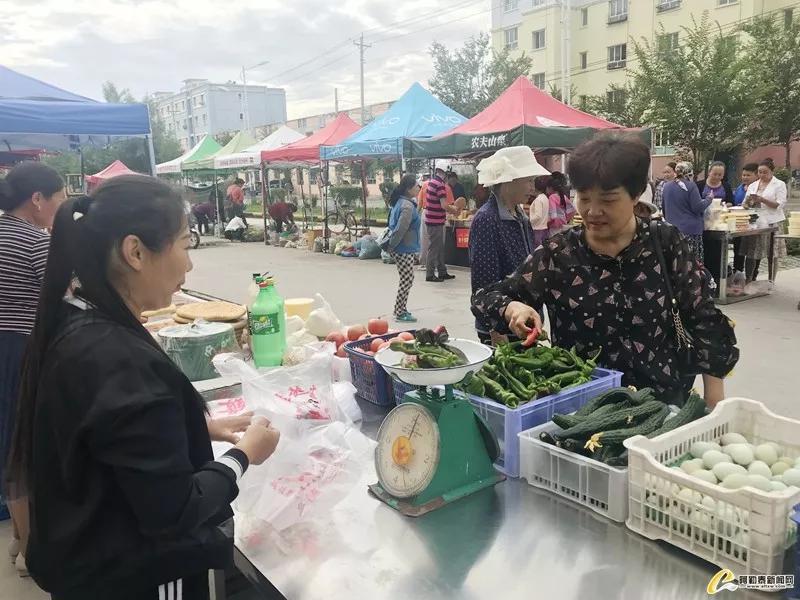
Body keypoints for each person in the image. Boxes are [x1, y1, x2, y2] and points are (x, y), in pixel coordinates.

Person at [6, 175, 281, 600]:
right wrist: (244, 456)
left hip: (83, 557)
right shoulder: (114, 357)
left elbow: (101, 429)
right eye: (185, 246)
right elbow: (174, 511)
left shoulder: (78, 318)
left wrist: (194, 426)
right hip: (132, 573)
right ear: (135, 252)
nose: (189, 266)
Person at [471, 136, 739, 407]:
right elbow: (485, 298)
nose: (592, 211)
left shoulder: (665, 242)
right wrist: (513, 307)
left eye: (608, 200)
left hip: (663, 405)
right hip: (583, 411)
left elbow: (703, 317)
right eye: (584, 198)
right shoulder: (560, 252)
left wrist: (713, 401)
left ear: (636, 195)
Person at [0, 162, 65, 577]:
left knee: (7, 441)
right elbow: (60, 298)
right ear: (37, 200)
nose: (61, 209)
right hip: (20, 348)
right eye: (58, 200)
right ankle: (29, 545)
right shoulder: (35, 240)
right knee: (23, 446)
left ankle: (20, 534)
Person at [470, 146, 549, 344]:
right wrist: (495, 330)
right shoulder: (487, 219)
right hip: (503, 323)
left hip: (525, 319)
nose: (533, 187)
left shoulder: (520, 215)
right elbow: (483, 282)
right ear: (508, 182)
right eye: (528, 181)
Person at [742, 158, 788, 282]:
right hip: (756, 221)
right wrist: (749, 202)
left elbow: (779, 204)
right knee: (752, 251)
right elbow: (745, 203)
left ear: (771, 171)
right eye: (760, 172)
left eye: (765, 172)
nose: (762, 175)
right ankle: (749, 279)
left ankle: (771, 279)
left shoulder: (779, 184)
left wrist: (762, 200)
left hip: (772, 221)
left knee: (772, 253)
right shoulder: (753, 185)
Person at [386, 175, 421, 322]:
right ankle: (400, 311)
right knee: (406, 280)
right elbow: (401, 229)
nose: (419, 188)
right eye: (416, 186)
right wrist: (392, 246)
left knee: (407, 279)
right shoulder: (406, 206)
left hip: (404, 247)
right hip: (403, 248)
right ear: (408, 189)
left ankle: (399, 308)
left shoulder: (402, 202)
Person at [662, 161, 710, 260]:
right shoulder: (690, 186)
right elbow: (697, 208)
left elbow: (664, 208)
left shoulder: (666, 186)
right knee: (692, 263)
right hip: (690, 231)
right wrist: (709, 199)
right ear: (689, 172)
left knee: (677, 262)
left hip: (672, 231)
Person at [424, 167, 456, 282]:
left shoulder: (432, 182)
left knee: (439, 247)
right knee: (434, 248)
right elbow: (443, 205)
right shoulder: (440, 185)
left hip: (431, 219)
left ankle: (442, 271)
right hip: (435, 221)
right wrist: (454, 210)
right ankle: (430, 274)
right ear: (445, 174)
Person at [731, 163, 759, 274]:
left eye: (748, 175)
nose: (745, 177)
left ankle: (752, 275)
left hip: (752, 223)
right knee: (738, 249)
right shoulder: (739, 188)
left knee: (752, 252)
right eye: (743, 175)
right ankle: (737, 272)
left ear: (756, 175)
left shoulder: (757, 189)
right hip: (739, 222)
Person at [546, 171, 576, 237]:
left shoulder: (552, 197)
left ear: (550, 188)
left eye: (546, 188)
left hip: (554, 227)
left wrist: (546, 223)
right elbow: (573, 210)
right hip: (563, 226)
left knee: (554, 245)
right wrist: (565, 218)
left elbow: (553, 215)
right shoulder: (564, 197)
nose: (546, 190)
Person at [528, 176, 550, 247]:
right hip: (544, 229)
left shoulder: (538, 200)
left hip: (537, 229)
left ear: (535, 188)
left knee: (537, 252)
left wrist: (528, 222)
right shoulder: (545, 198)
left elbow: (538, 215)